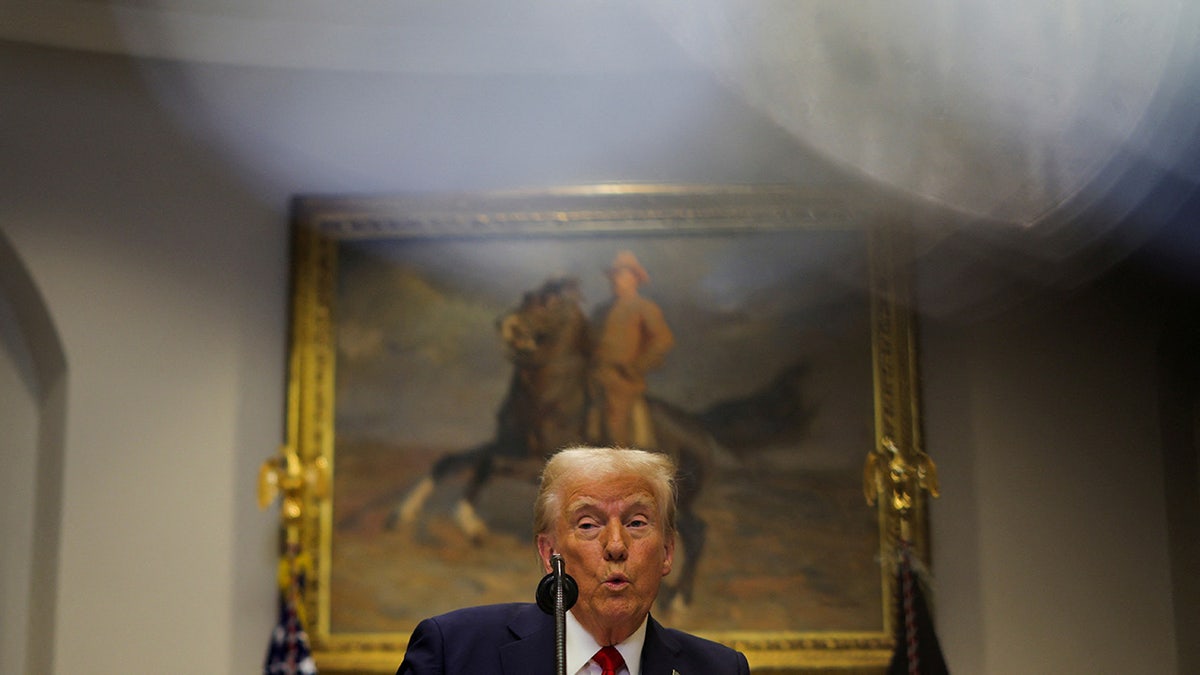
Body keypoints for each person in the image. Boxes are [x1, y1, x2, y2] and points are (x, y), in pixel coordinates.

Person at [397, 446, 750, 675]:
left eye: (637, 523)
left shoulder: (719, 669)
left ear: (668, 553)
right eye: (588, 524)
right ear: (550, 553)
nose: (615, 545)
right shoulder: (454, 651)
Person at [588, 251, 675, 448]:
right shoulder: (601, 310)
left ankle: (620, 472)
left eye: (622, 276)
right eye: (614, 276)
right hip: (595, 376)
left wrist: (636, 367)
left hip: (623, 379)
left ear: (635, 279)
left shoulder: (644, 307)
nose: (616, 281)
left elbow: (663, 339)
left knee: (614, 425)